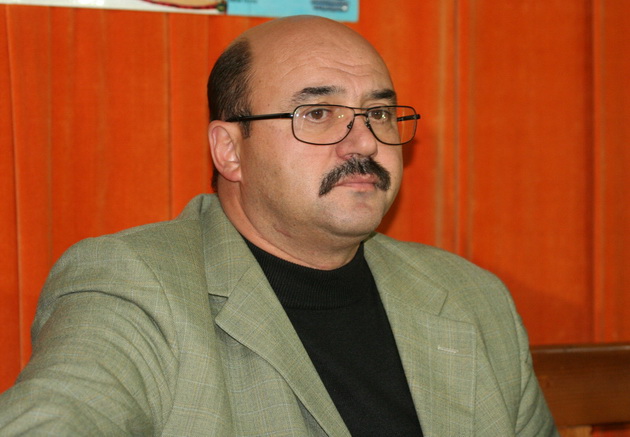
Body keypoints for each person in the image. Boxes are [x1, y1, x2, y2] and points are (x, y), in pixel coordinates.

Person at [0, 15, 557, 436]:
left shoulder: (472, 298)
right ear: (230, 150)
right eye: (317, 113)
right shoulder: (134, 286)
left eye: (379, 113)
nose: (365, 143)